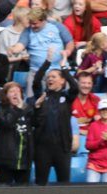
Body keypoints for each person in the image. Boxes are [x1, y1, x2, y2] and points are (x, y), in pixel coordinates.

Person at [32, 56, 79, 185]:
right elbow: (36, 82)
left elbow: (75, 87)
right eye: (48, 77)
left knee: (63, 184)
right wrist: (47, 62)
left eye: (54, 77)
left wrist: (64, 68)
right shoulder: (42, 97)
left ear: (62, 81)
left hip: (62, 148)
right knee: (40, 183)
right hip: (42, 148)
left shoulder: (67, 97)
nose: (50, 79)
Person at [0, 82, 33, 185]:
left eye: (18, 91)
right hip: (5, 160)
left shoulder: (27, 109)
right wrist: (18, 109)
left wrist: (37, 108)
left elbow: (37, 123)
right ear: (6, 95)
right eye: (12, 91)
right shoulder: (1, 109)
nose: (15, 94)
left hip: (24, 159)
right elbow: (7, 123)